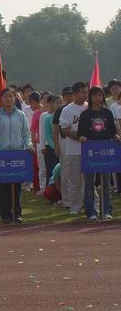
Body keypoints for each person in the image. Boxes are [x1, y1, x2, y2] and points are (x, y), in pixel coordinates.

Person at [0, 88, 33, 224]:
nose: (8, 99)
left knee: (17, 187)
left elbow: (26, 133)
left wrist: (29, 145)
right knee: (5, 187)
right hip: (2, 154)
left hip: (18, 153)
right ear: (1, 99)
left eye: (11, 96)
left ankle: (17, 213)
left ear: (15, 98)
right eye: (6, 96)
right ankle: (6, 214)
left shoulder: (20, 115)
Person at [77, 86, 117, 220]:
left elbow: (113, 131)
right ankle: (91, 211)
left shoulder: (107, 113)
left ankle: (106, 210)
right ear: (91, 97)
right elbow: (80, 133)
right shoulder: (85, 114)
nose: (97, 98)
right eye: (95, 95)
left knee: (106, 182)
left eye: (100, 95)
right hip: (90, 151)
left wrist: (116, 137)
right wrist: (81, 137)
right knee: (89, 182)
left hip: (106, 151)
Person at [58, 82, 89, 214]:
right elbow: (64, 129)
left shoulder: (89, 108)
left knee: (89, 181)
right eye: (82, 92)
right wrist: (78, 137)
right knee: (75, 180)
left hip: (90, 150)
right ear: (75, 94)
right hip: (73, 150)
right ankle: (75, 206)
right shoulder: (67, 110)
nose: (85, 95)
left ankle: (93, 205)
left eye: (86, 92)